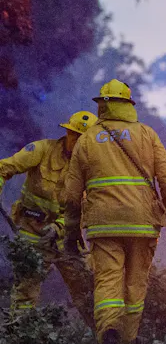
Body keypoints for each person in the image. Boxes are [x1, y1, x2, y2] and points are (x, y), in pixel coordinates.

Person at [62, 80, 166, 344]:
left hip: (103, 224)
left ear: (103, 104)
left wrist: (71, 231)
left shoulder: (88, 139)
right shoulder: (147, 135)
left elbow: (71, 193)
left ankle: (108, 336)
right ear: (129, 105)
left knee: (107, 280)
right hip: (142, 223)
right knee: (135, 282)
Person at [1, 111, 97, 326]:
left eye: (84, 139)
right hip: (31, 231)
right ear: (66, 132)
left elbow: (88, 208)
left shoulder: (93, 169)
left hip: (67, 238)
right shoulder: (41, 149)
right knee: (26, 289)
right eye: (74, 135)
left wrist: (59, 228)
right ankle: (21, 335)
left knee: (86, 288)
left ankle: (103, 340)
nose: (77, 141)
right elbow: (3, 168)